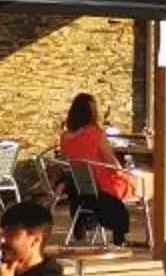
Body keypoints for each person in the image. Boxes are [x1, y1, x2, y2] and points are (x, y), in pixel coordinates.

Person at [57, 93, 145, 244]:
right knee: (144, 182)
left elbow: (67, 159)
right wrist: (126, 172)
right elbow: (111, 162)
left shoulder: (65, 137)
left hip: (80, 185)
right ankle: (151, 234)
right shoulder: (96, 134)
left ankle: (84, 223)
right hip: (102, 184)